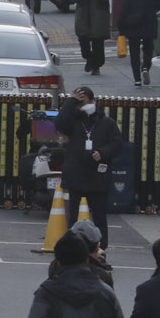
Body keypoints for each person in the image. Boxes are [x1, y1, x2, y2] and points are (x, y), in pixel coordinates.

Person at [58, 86, 125, 248]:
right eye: (79, 100)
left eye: (84, 99)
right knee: (72, 217)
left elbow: (117, 144)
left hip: (97, 176)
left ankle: (101, 248)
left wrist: (102, 153)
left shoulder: (106, 123)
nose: (82, 104)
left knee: (100, 216)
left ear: (93, 100)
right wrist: (71, 101)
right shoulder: (73, 121)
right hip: (76, 174)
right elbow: (59, 124)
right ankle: (72, 248)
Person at [119, 0, 160, 88]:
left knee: (134, 52)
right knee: (148, 48)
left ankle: (137, 79)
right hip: (149, 21)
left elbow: (125, 6)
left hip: (133, 22)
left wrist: (121, 23)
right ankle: (146, 67)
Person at [72, 0, 113, 75]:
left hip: (98, 18)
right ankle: (89, 59)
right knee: (84, 45)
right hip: (83, 17)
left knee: (98, 45)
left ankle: (96, 66)